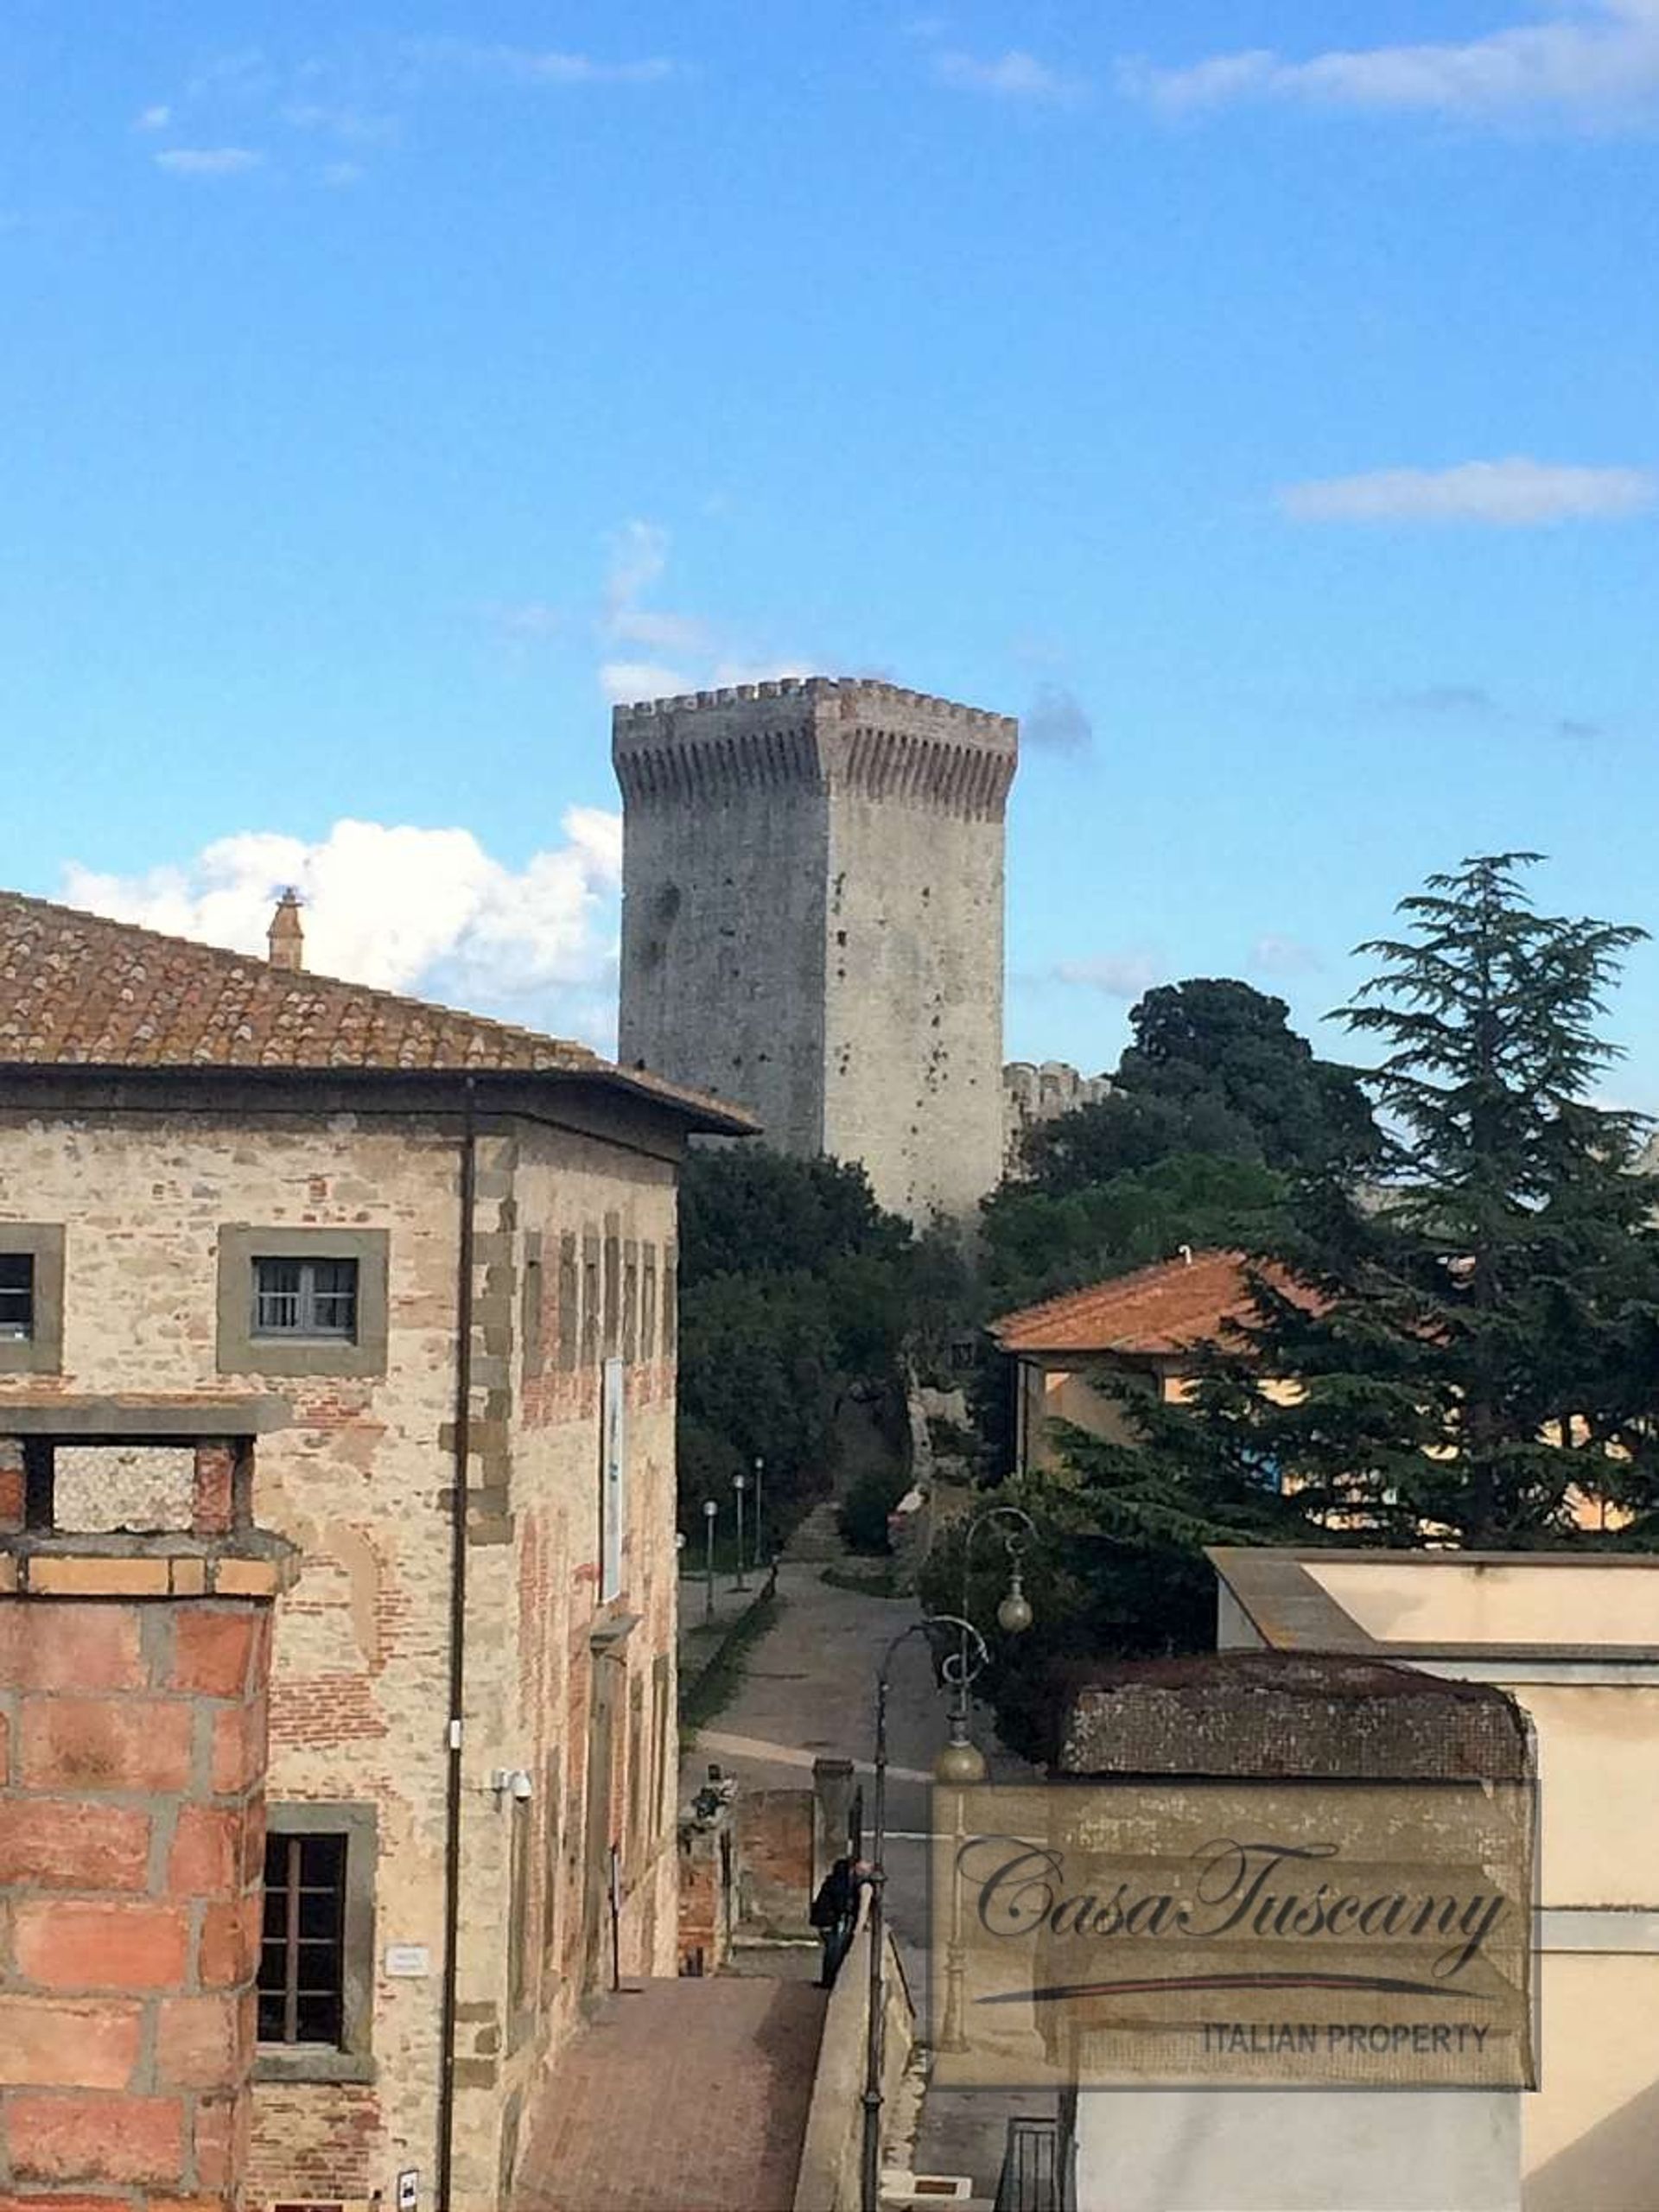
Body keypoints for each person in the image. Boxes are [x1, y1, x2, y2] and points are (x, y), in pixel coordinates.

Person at [810, 1855, 859, 1988]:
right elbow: (841, 1904)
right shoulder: (840, 1885)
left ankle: (828, 1980)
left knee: (831, 1951)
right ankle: (829, 1981)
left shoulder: (831, 1882)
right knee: (833, 1952)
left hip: (823, 1921)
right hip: (830, 1921)